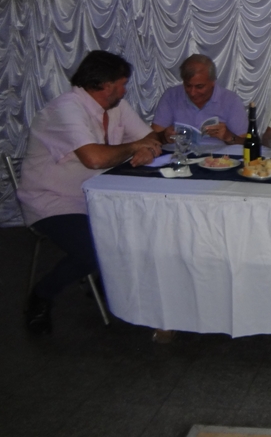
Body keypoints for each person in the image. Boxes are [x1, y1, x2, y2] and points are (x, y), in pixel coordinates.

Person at [17, 51, 162, 335]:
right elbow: (94, 159)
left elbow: (150, 137)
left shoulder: (116, 106)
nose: (125, 90)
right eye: (122, 83)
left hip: (98, 198)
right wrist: (135, 147)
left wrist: (148, 148)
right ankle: (41, 296)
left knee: (148, 226)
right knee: (96, 249)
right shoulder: (66, 110)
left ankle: (103, 280)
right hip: (52, 202)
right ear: (106, 85)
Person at [151, 54, 247, 146]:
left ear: (212, 82)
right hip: (179, 154)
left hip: (216, 155)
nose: (192, 92)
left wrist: (228, 136)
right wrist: (165, 137)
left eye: (199, 87)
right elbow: (152, 138)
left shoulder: (231, 100)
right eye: (188, 86)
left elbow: (246, 143)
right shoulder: (171, 96)